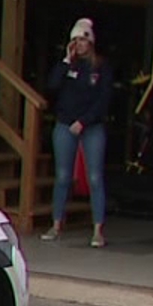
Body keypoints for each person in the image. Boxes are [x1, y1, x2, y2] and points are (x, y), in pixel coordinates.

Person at [42, 17, 114, 247]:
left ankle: (98, 230)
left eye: (82, 40)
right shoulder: (67, 65)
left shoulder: (100, 67)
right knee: (63, 176)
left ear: (90, 42)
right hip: (65, 124)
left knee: (94, 177)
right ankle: (56, 225)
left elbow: (104, 99)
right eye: (75, 40)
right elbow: (52, 86)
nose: (79, 44)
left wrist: (84, 121)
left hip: (91, 126)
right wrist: (65, 61)